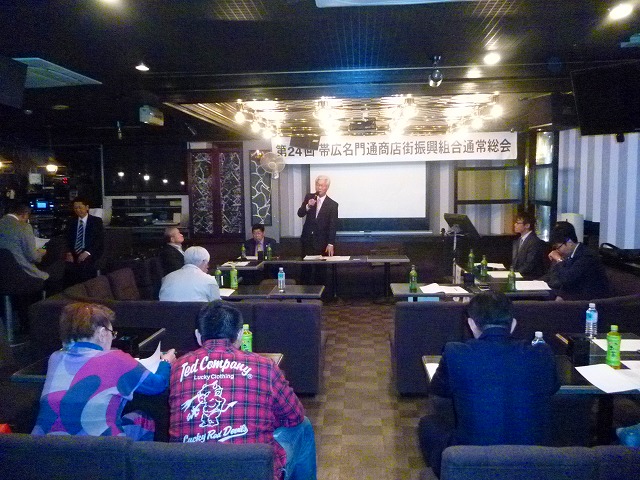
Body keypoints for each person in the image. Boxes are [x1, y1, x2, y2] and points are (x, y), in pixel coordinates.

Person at [169, 301, 317, 480]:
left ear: (198, 336)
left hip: (191, 472)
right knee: (303, 427)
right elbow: (295, 416)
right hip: (253, 472)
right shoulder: (265, 366)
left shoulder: (176, 367)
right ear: (239, 334)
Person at [418, 292, 559, 477]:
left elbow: (438, 390)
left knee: (428, 424)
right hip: (535, 463)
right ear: (513, 324)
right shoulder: (542, 353)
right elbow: (553, 387)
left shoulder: (455, 352)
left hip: (471, 463)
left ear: (471, 324)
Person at [32, 302, 176, 440]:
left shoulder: (55, 358)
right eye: (112, 333)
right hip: (101, 448)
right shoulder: (117, 358)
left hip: (44, 447)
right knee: (143, 419)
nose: (112, 338)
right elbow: (158, 385)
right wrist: (166, 362)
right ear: (102, 333)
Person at [543, 221, 611, 301]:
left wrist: (559, 259)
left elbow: (567, 279)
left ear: (569, 242)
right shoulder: (572, 254)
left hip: (590, 300)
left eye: (558, 247)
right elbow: (556, 277)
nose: (557, 250)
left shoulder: (586, 256)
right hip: (575, 294)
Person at [0, 203, 48, 281]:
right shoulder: (24, 227)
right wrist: (41, 252)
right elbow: (32, 257)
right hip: (21, 273)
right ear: (25, 214)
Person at [63, 197, 104, 286]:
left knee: (85, 266)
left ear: (87, 207)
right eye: (75, 208)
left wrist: (87, 252)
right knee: (65, 267)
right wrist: (68, 252)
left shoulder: (96, 221)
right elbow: (66, 238)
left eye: (80, 207)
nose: (78, 210)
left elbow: (99, 240)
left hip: (90, 251)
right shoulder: (71, 221)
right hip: (73, 252)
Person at [297, 175, 338, 258]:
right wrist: (308, 206)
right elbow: (300, 214)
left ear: (327, 187)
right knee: (305, 264)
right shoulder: (309, 197)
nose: (319, 188)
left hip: (322, 242)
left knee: (320, 265)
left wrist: (330, 243)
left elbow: (332, 225)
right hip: (307, 240)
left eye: (322, 185)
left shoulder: (332, 205)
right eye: (317, 185)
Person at [511, 211, 548, 279]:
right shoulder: (518, 240)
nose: (515, 225)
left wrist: (514, 274)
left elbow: (529, 265)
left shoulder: (535, 242)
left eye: (518, 223)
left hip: (529, 278)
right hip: (518, 275)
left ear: (527, 225)